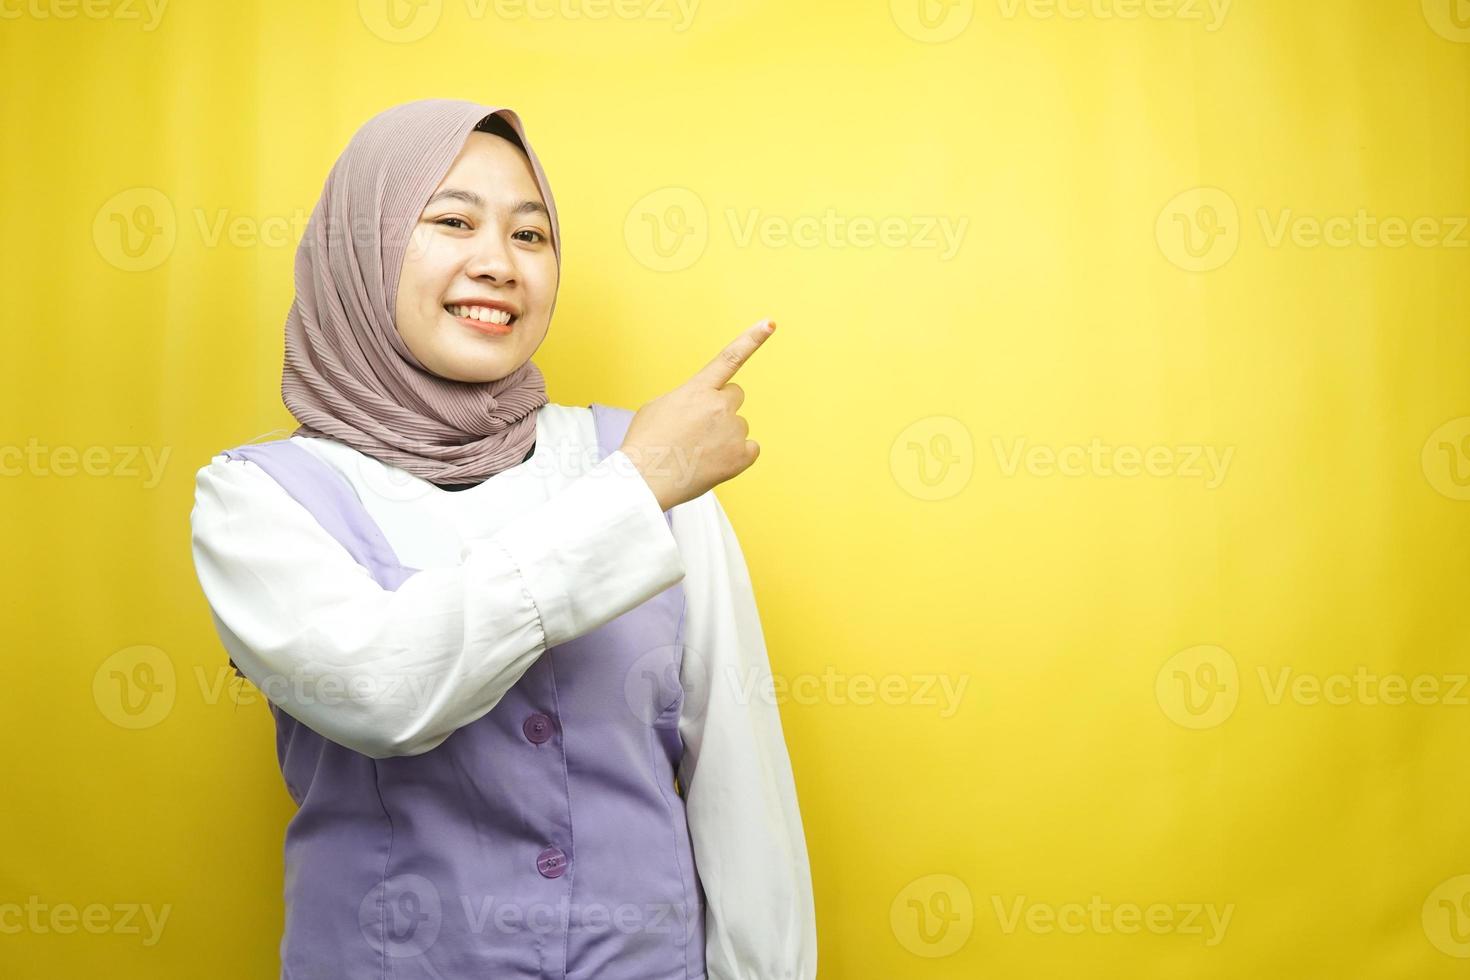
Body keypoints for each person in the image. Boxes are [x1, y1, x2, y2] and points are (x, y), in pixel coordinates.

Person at [188, 98, 816, 980]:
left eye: (531, 236)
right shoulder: (257, 497)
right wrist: (633, 490)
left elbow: (740, 783)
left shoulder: (649, 460)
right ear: (357, 249)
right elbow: (381, 693)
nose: (500, 264)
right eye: (451, 221)